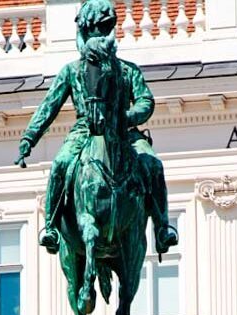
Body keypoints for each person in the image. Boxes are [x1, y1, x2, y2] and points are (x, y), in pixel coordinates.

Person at [15, 0, 178, 256]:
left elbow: (146, 101)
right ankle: (51, 228)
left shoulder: (127, 71)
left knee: (154, 165)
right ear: (85, 31)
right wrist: (29, 138)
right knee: (60, 164)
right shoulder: (71, 71)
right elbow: (49, 107)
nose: (102, 34)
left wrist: (126, 117)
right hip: (84, 131)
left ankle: (162, 228)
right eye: (97, 28)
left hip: (124, 131)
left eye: (107, 27)